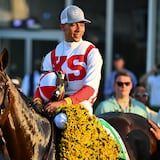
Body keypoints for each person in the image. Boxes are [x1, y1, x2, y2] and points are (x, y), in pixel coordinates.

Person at [33, 5, 103, 114]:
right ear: (62, 27)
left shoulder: (91, 52)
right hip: (53, 104)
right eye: (73, 25)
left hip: (81, 105)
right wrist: (37, 101)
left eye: (82, 24)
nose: (78, 29)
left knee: (61, 120)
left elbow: (90, 89)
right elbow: (41, 86)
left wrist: (63, 103)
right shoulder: (50, 56)